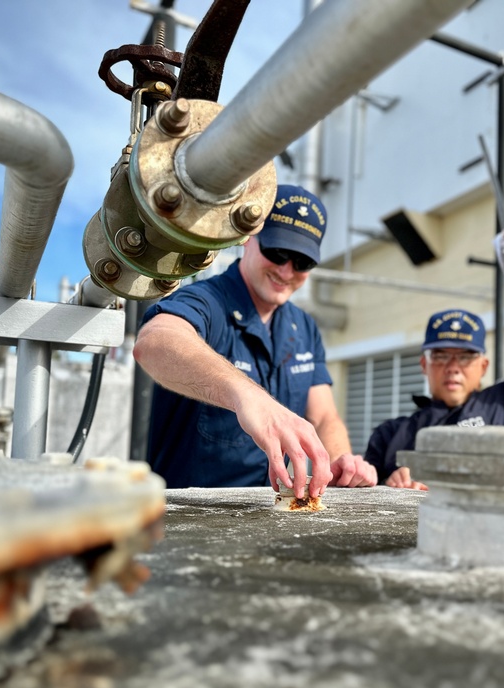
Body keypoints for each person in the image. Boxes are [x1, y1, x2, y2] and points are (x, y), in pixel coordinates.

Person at [133, 184, 377, 498]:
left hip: (269, 520)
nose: (286, 270)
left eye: (301, 262)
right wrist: (247, 396)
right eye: (277, 252)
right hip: (191, 523)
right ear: (248, 237)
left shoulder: (304, 327)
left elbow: (325, 415)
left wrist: (340, 457)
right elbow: (155, 341)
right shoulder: (207, 301)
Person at [364, 225, 504, 490]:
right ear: (424, 364)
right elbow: (363, 499)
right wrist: (392, 485)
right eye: (441, 356)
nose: (453, 367)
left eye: (466, 357)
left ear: (483, 366)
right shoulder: (389, 435)